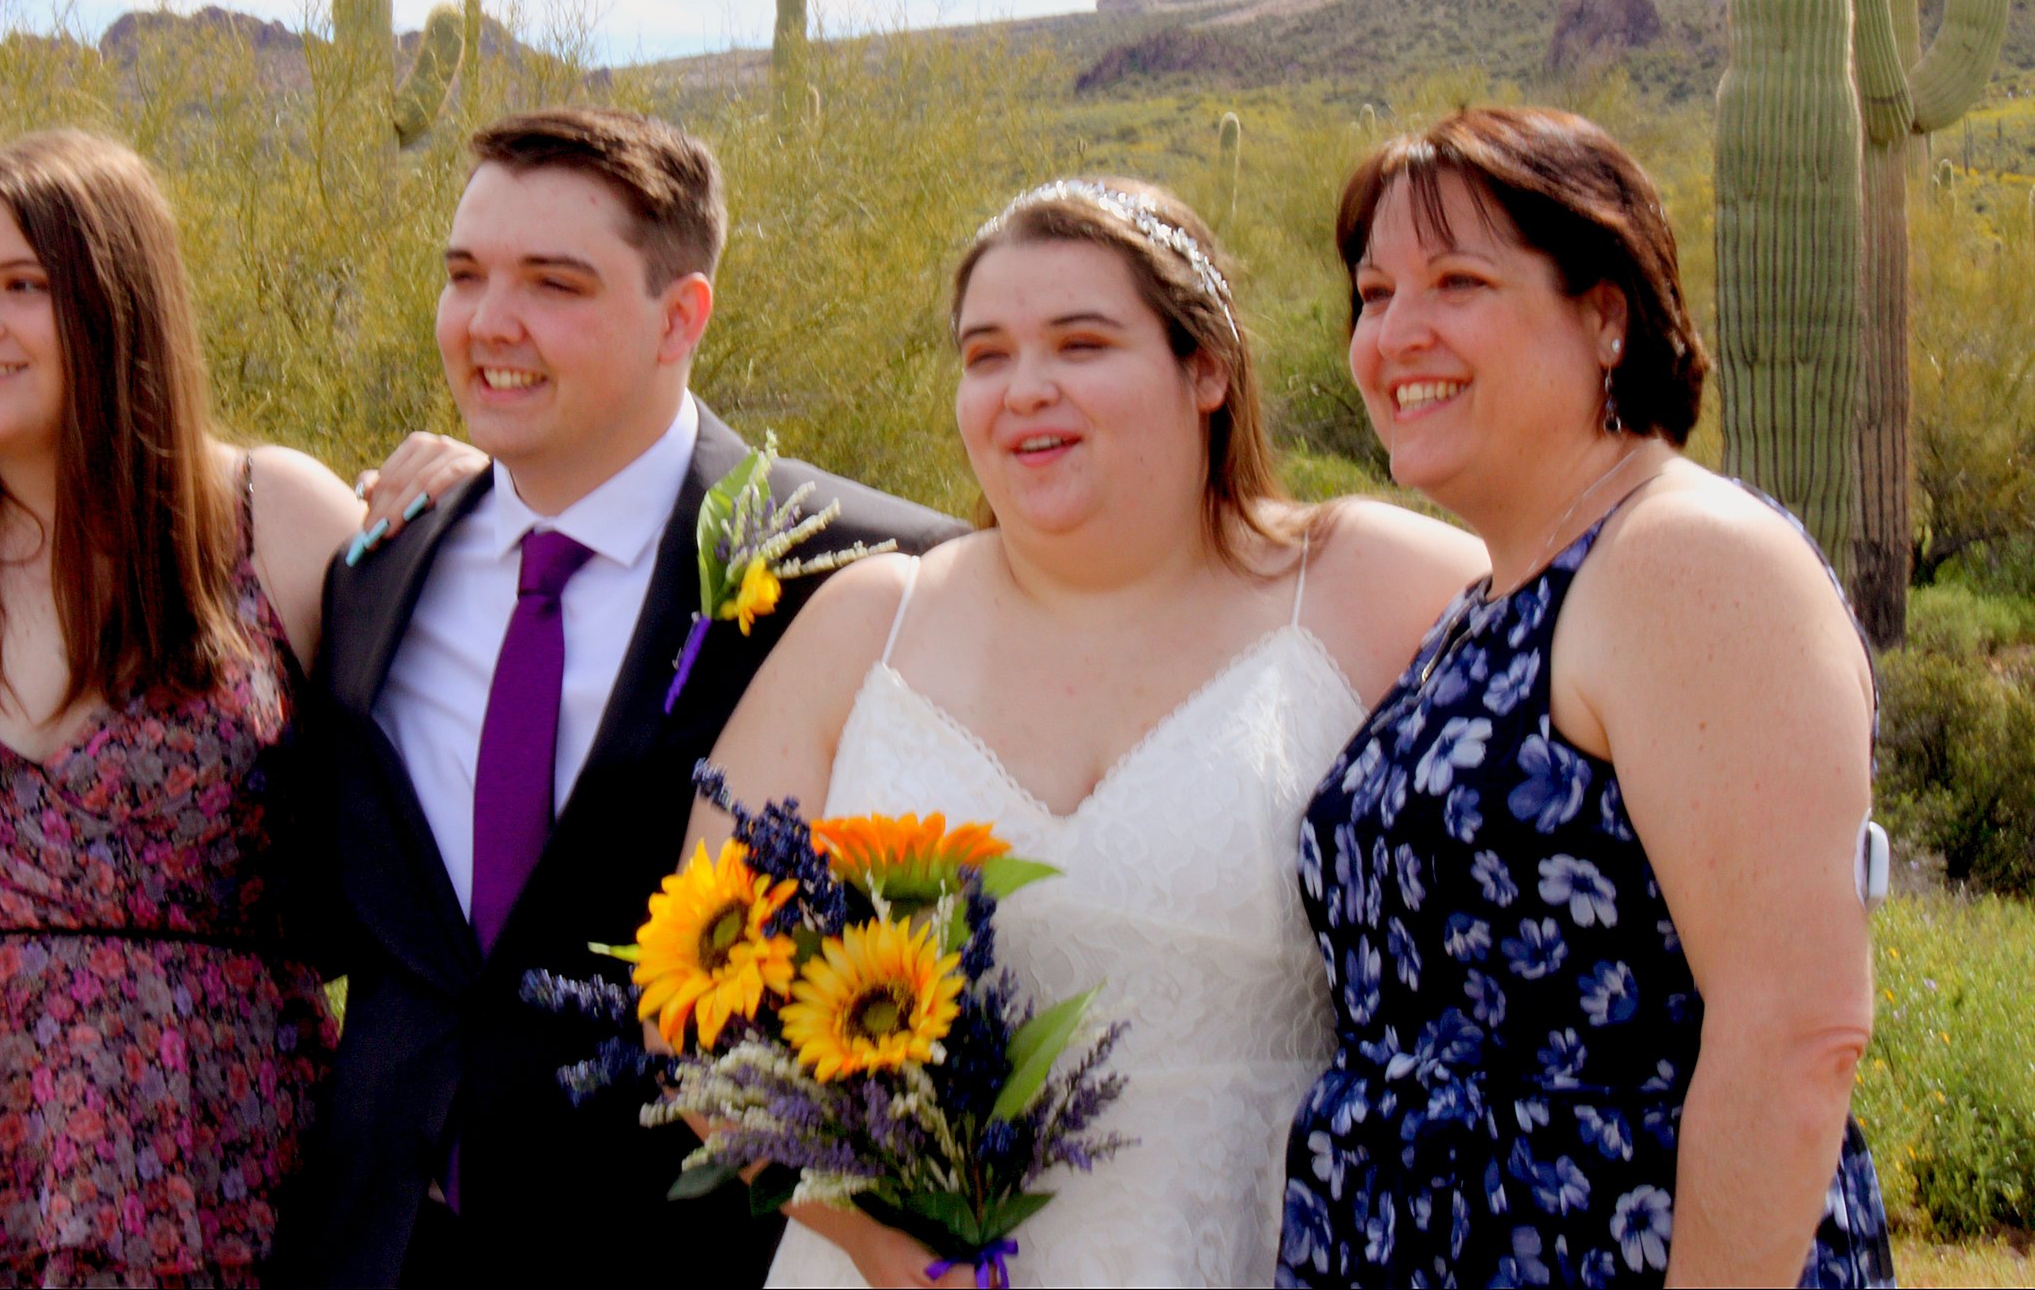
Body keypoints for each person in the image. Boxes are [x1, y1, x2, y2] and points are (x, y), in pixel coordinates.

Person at [684, 178, 1488, 1287]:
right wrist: (887, 1246)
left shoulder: (1368, 586)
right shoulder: (869, 621)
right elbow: (697, 1015)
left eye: (1081, 342)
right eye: (985, 355)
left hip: (1248, 1250)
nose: (1025, 390)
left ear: (1205, 367)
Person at [0, 129, 474, 1287]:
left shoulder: (276, 517)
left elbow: (467, 802)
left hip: (235, 1202)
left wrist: (480, 505)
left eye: (22, 286)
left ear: (117, 300)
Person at [264, 107, 966, 1287]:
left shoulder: (851, 570)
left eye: (554, 282)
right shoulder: (379, 556)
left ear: (678, 315)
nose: (491, 321)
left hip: (680, 1251)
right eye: (465, 274)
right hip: (377, 1241)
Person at [1277, 107, 1893, 1287]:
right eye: (1373, 293)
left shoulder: (1686, 556)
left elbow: (1796, 1033)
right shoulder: (1491, 598)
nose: (1397, 332)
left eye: (1457, 280)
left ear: (1603, 315)